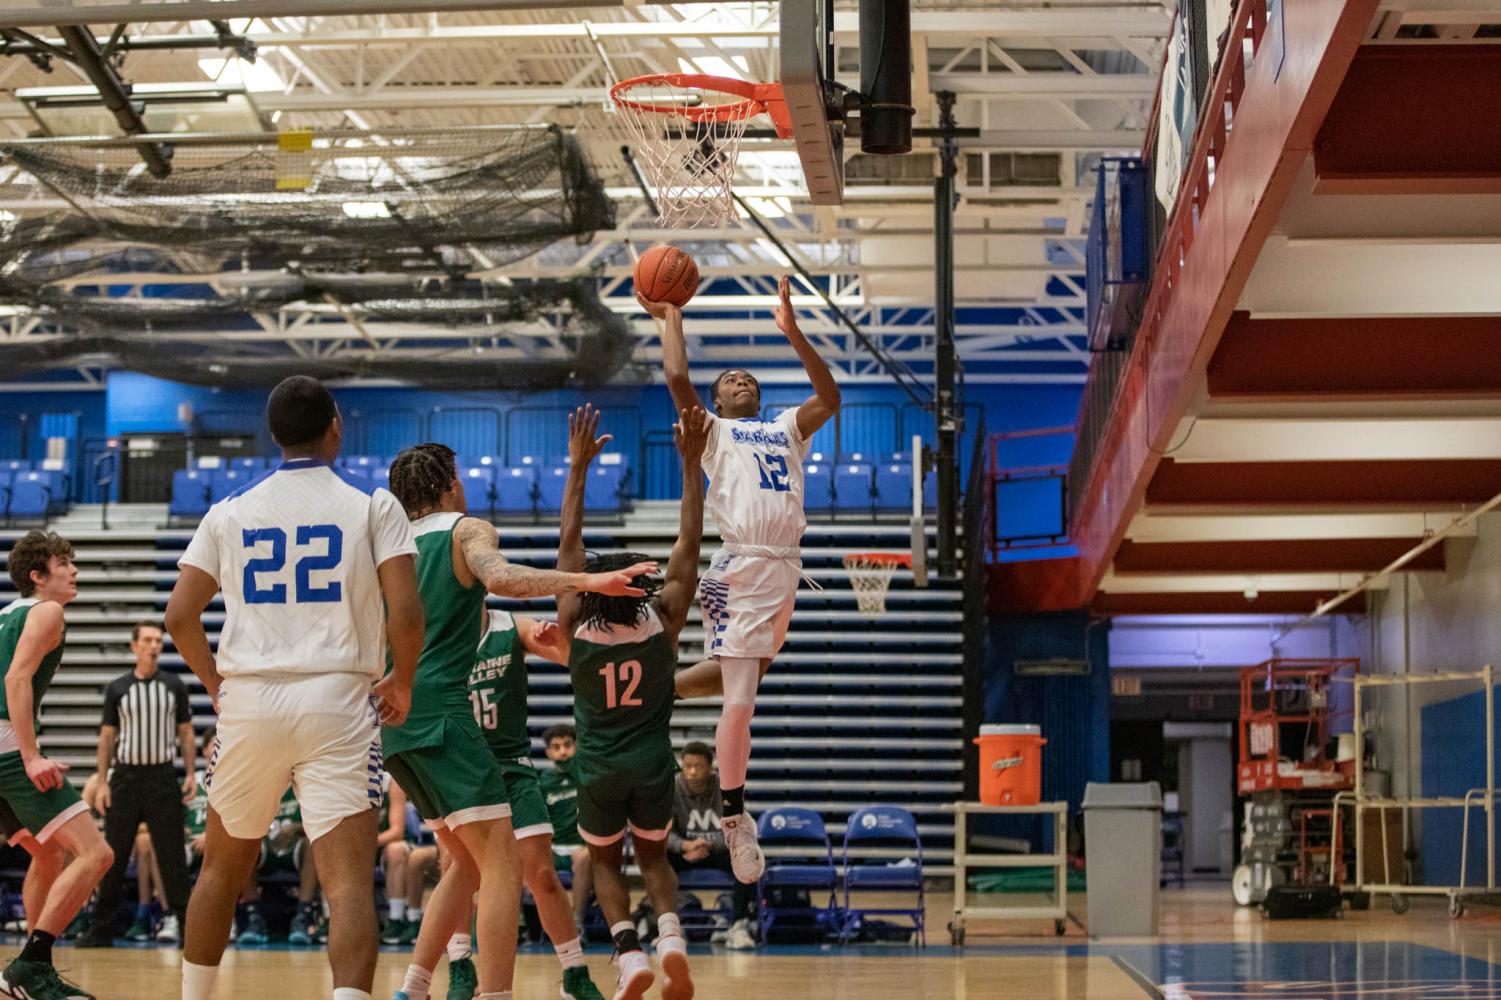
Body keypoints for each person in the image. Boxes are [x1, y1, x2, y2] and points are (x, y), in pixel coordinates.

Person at [166, 375, 425, 1000]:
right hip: (337, 697)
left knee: (222, 871)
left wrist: (214, 683)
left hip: (251, 699)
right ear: (334, 426)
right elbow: (407, 613)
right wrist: (404, 679)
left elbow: (179, 616)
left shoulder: (227, 512)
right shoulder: (373, 505)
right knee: (344, 886)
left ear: (274, 434)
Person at [382, 440, 653, 1000]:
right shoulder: (465, 528)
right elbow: (499, 579)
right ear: (450, 483)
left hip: (391, 718)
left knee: (464, 861)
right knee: (503, 861)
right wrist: (589, 581)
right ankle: (496, 995)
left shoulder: (383, 542)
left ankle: (412, 988)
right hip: (443, 711)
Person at [642, 273, 841, 884]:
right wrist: (671, 314)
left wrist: (795, 334)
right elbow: (678, 379)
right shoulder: (712, 433)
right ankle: (734, 819)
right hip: (741, 565)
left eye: (748, 377)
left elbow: (829, 397)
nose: (741, 380)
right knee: (741, 700)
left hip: (783, 570)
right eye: (728, 380)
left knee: (750, 672)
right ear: (718, 403)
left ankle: (654, 689)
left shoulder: (785, 427)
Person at [557, 404, 709, 1000]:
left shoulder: (573, 620)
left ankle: (627, 952)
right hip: (652, 762)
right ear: (642, 586)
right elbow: (690, 539)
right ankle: (670, 937)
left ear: (594, 587)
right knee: (653, 860)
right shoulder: (664, 620)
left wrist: (578, 470)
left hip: (597, 766)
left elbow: (569, 539)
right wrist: (689, 464)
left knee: (602, 863)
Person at [467, 598, 605, 999]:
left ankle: (575, 973)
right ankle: (462, 968)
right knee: (459, 876)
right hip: (465, 772)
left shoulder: (511, 626)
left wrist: (559, 643)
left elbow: (570, 661)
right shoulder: (437, 633)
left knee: (541, 877)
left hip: (511, 767)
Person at [0, 530, 114, 1000]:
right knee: (97, 854)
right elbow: (16, 676)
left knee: (47, 854)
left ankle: (29, 968)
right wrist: (30, 755)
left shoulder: (6, 613)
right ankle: (30, 966)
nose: (74, 571)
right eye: (63, 563)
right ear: (37, 575)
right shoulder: (48, 611)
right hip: (7, 751)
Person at [78, 620, 196, 948]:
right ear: (134, 646)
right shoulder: (118, 688)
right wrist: (102, 782)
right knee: (112, 856)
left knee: (172, 856)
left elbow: (186, 732)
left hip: (161, 777)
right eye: (147, 640)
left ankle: (187, 927)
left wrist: (189, 773)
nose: (153, 645)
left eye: (158, 640)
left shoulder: (175, 685)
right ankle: (101, 929)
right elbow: (107, 737)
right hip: (126, 778)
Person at [666, 743, 755, 949]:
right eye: (688, 766)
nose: (693, 771)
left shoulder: (728, 787)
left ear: (711, 766)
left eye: (699, 766)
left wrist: (709, 845)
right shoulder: (671, 788)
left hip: (718, 849)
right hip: (685, 852)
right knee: (654, 857)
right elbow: (663, 832)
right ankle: (669, 926)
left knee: (747, 855)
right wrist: (685, 845)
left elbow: (738, 827)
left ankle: (739, 925)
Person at [536, 725, 591, 933]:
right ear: (548, 752)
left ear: (576, 746)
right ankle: (528, 922)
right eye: (556, 747)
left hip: (582, 846)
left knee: (584, 857)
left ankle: (576, 922)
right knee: (523, 855)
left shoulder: (586, 774)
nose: (562, 751)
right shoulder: (543, 781)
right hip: (555, 847)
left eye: (567, 745)